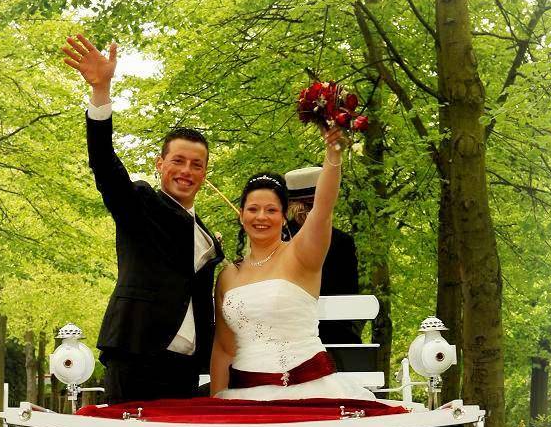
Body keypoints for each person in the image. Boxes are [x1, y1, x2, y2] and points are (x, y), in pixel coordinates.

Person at [61, 34, 223, 403]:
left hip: (188, 368)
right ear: (160, 164)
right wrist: (101, 90)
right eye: (178, 161)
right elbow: (104, 163)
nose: (186, 171)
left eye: (197, 165)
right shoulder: (140, 203)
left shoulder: (207, 234)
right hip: (136, 353)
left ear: (205, 173)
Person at [211, 128, 378, 402]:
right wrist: (217, 403)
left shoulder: (301, 255)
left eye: (271, 210)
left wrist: (333, 152)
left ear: (283, 214)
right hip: (243, 395)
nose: (261, 217)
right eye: (253, 209)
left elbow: (323, 208)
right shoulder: (228, 275)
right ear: (241, 215)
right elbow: (224, 348)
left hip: (307, 389)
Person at [285, 166, 362, 346]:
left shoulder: (275, 238)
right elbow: (350, 293)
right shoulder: (342, 241)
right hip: (336, 337)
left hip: (286, 336)